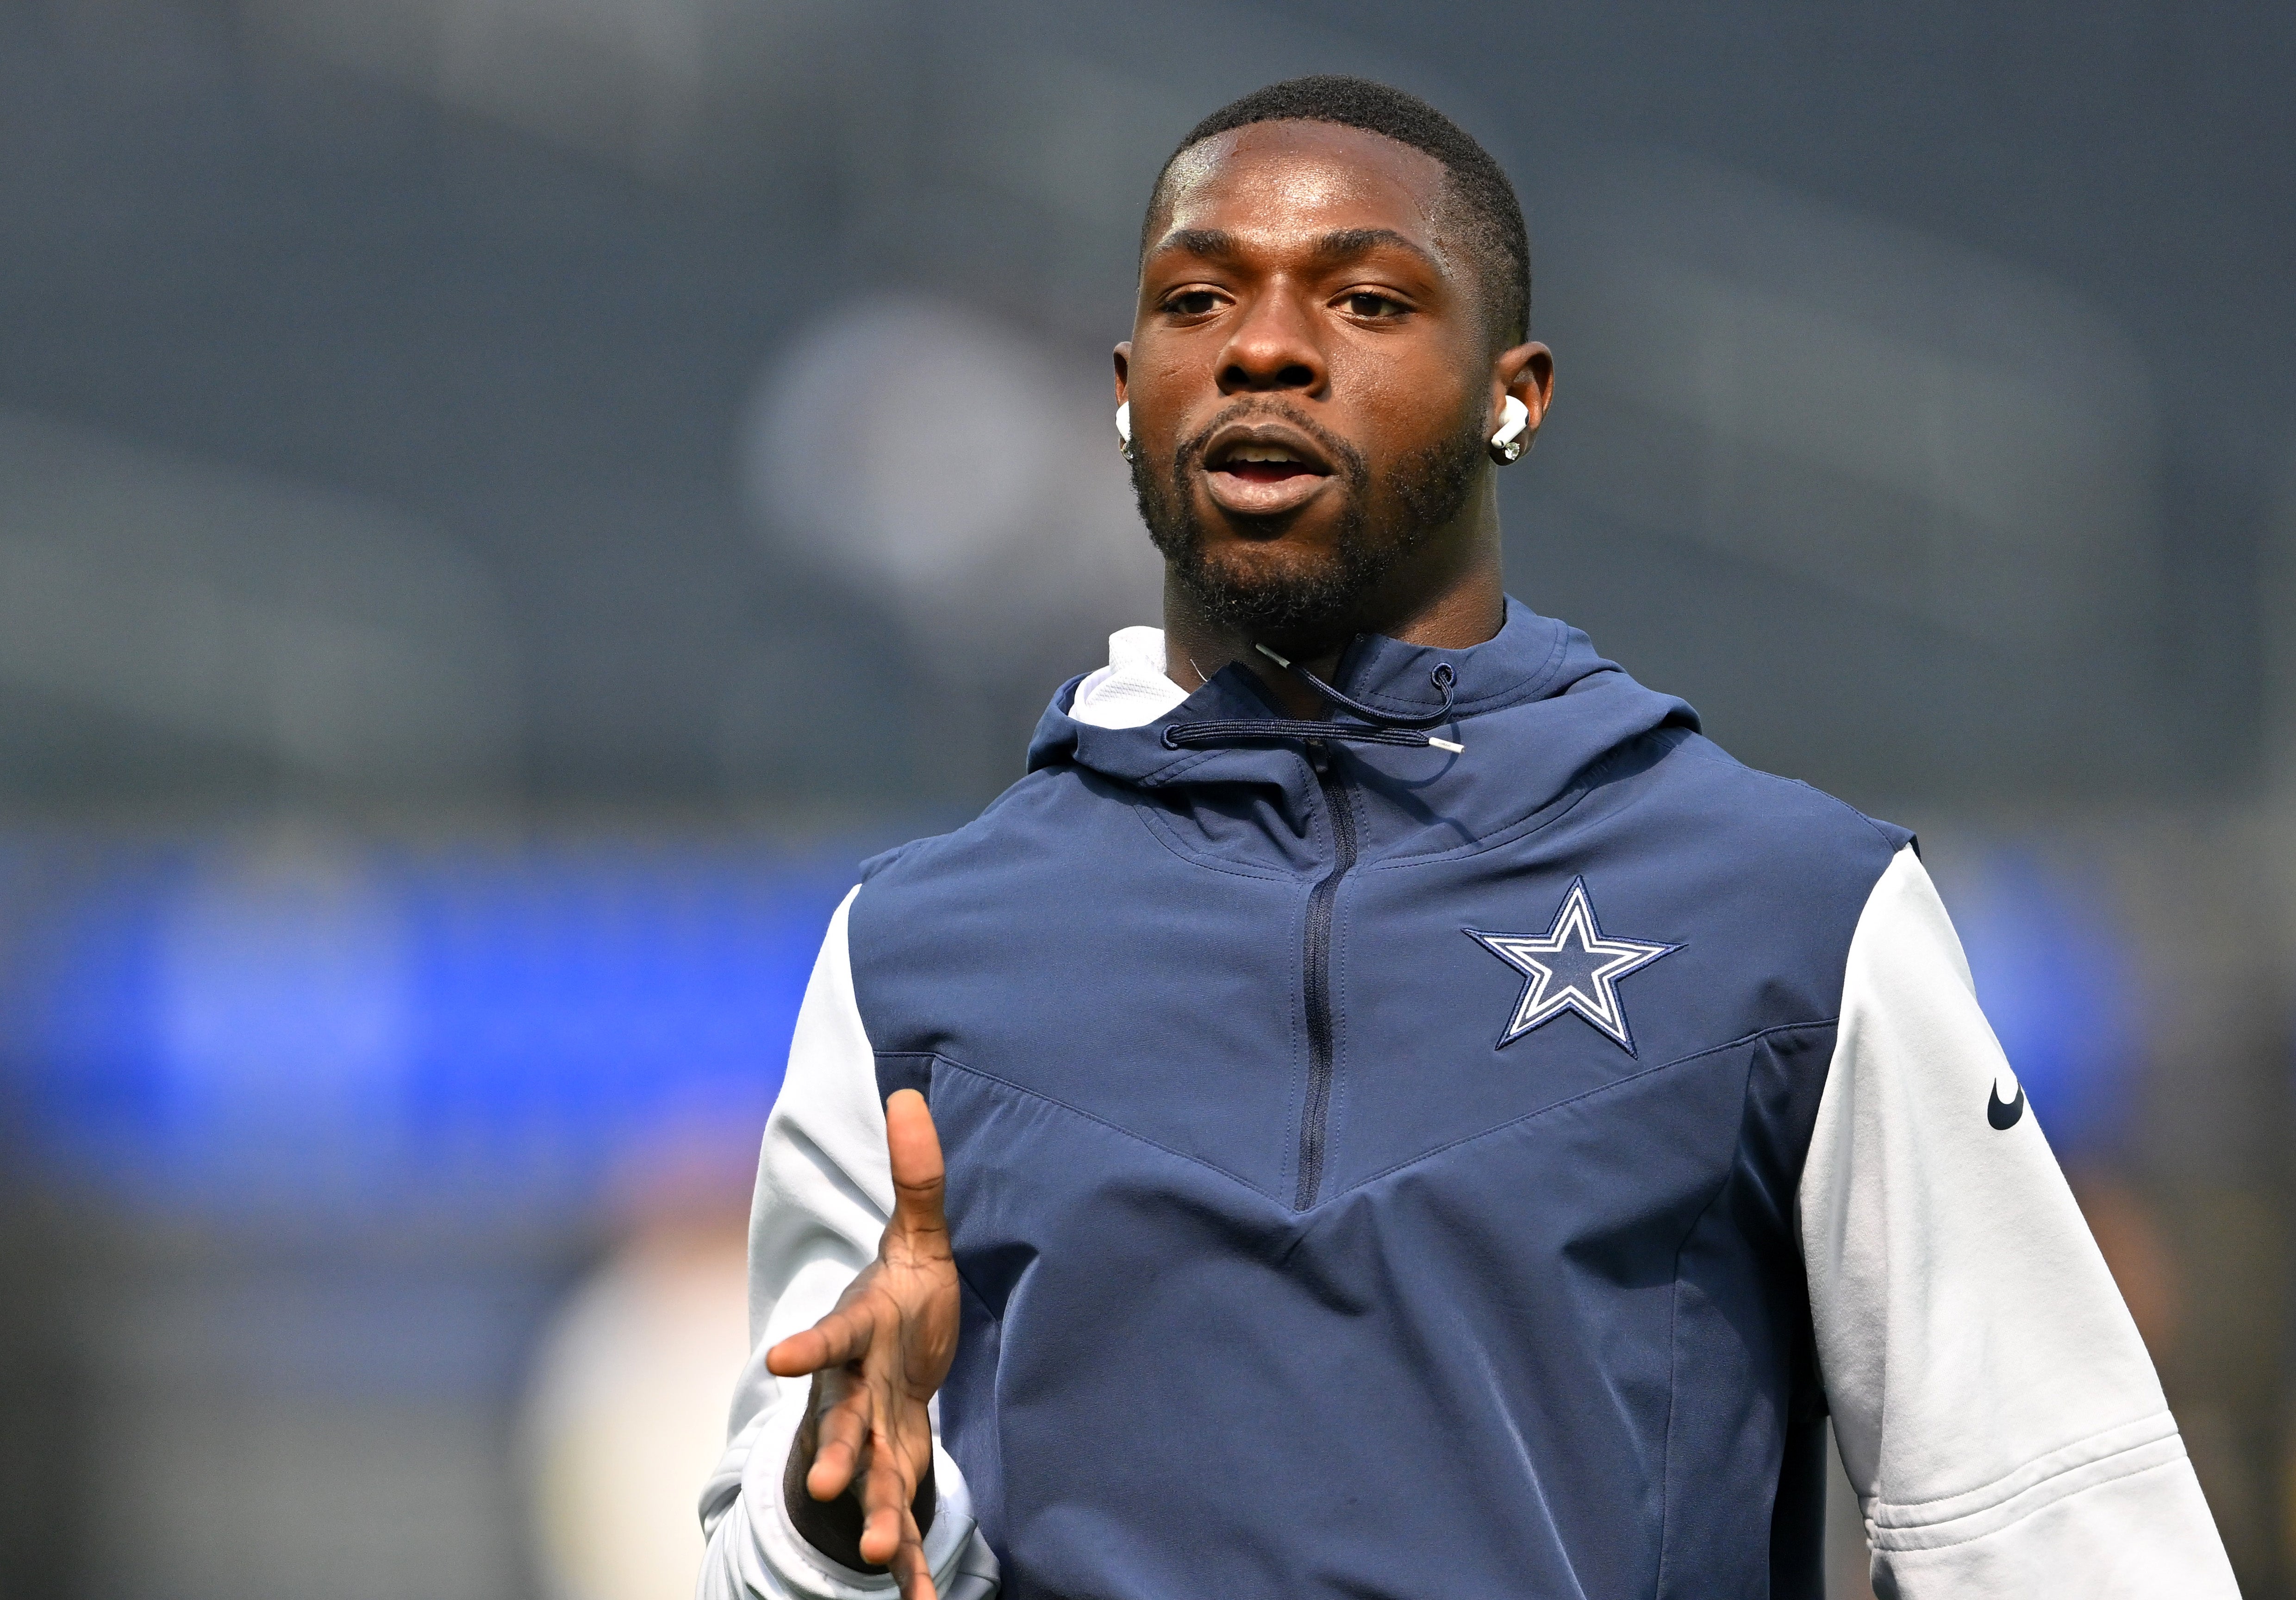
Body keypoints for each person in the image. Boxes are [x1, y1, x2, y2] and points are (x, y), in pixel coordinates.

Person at [696, 75, 2236, 1600]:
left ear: (1517, 393)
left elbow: (2055, 1529)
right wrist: (836, 1518)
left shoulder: (1798, 916)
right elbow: (783, 1556)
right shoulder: (914, 956)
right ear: (1122, 386)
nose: (1266, 347)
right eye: (1197, 299)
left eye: (1365, 300)